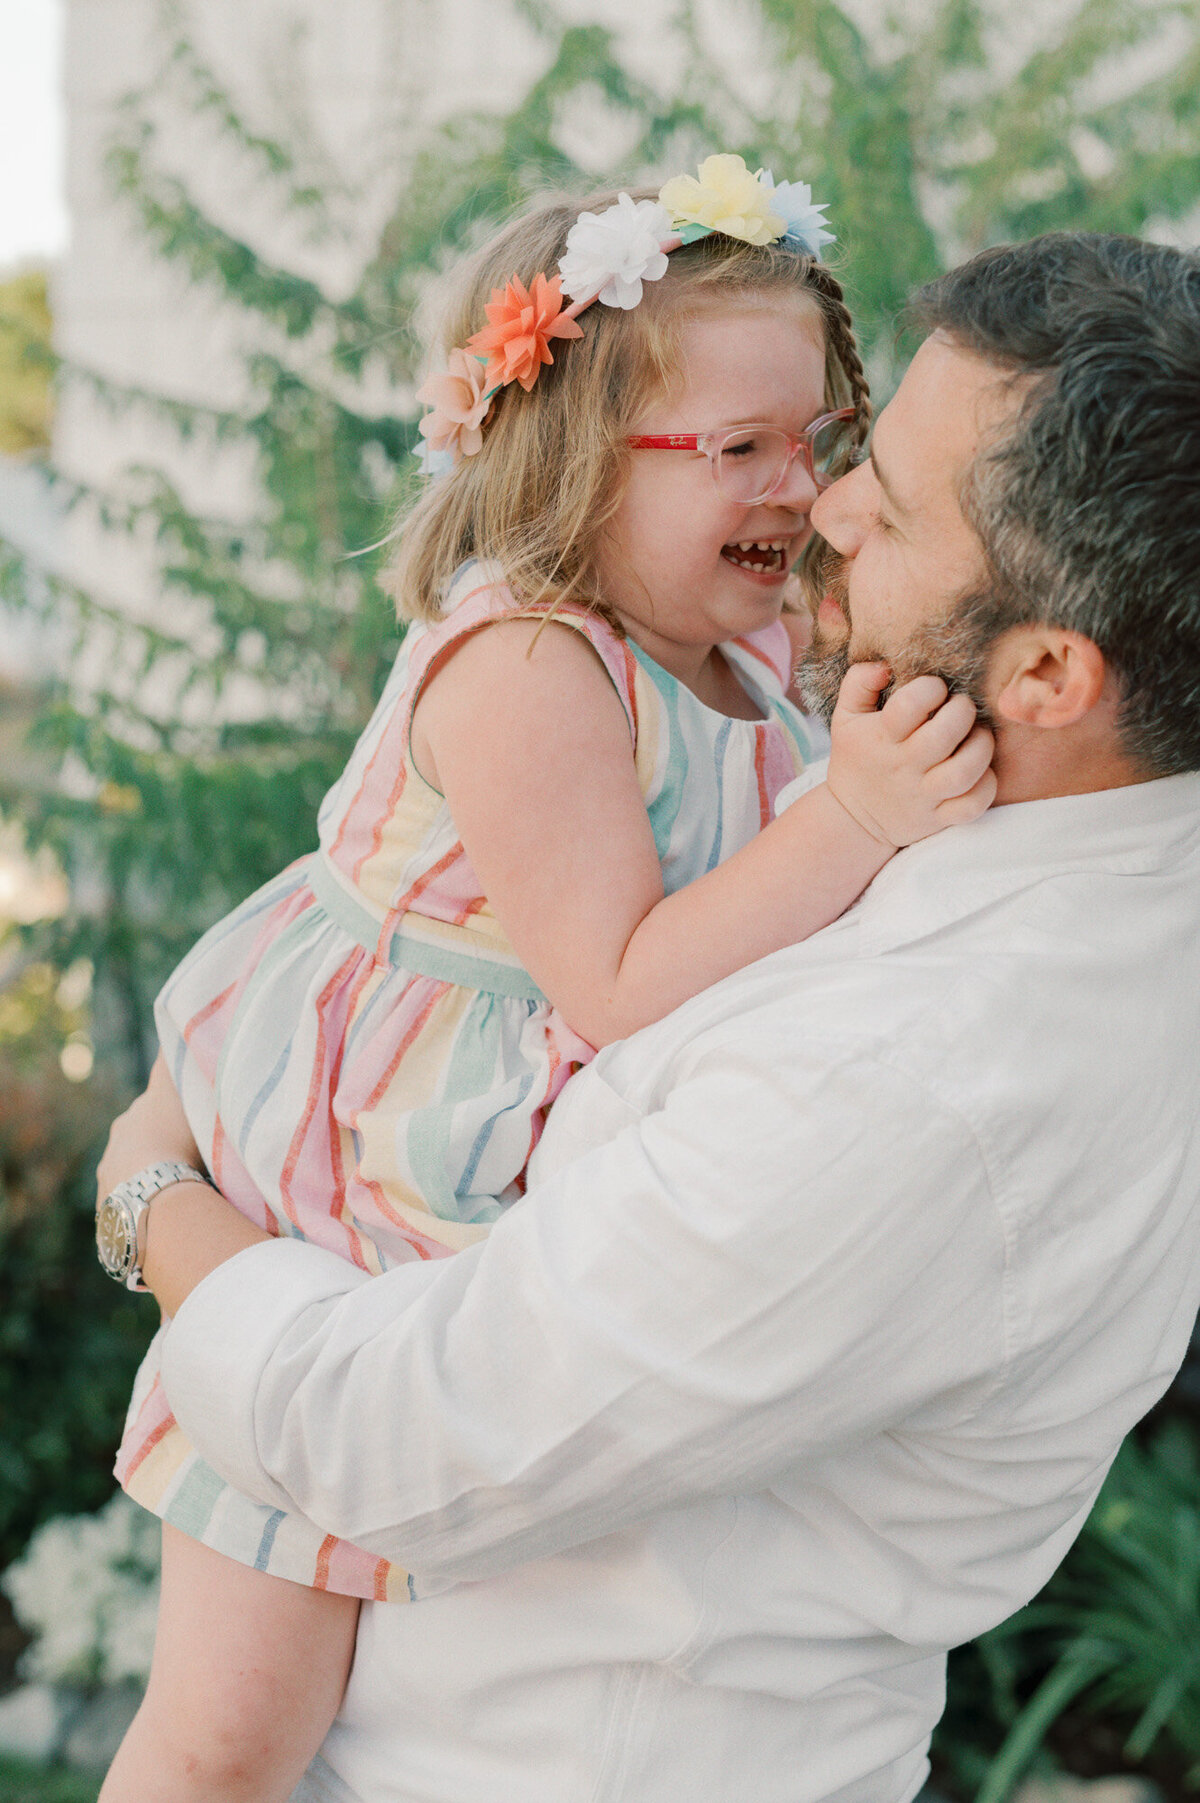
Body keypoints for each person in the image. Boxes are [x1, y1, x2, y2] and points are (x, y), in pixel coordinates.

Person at [98, 229, 1200, 1803]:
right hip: (364, 1204)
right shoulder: (1009, 840)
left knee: (217, 1745)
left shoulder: (924, 1080)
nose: (816, 507)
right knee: (211, 1738)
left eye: (871, 500)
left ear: (1043, 673)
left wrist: (148, 1197)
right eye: (782, 452)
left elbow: (388, 1434)